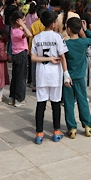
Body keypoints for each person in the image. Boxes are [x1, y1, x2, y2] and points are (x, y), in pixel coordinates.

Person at [31, 10, 69, 144]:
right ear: (53, 24)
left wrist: (47, 59)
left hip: (41, 74)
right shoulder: (58, 37)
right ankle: (56, 132)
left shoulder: (37, 38)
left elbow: (33, 57)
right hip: (55, 75)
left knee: (41, 103)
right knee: (55, 103)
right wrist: (66, 75)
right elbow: (63, 57)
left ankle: (39, 133)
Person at [63, 17, 91, 139]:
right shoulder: (84, 42)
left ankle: (72, 128)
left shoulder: (65, 44)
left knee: (69, 103)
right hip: (81, 77)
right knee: (83, 101)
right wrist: (86, 30)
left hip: (68, 78)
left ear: (68, 29)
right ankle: (87, 126)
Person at [8, 11, 32, 107]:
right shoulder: (18, 31)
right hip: (21, 54)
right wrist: (23, 25)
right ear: (18, 21)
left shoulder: (13, 29)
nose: (25, 22)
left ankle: (12, 97)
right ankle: (19, 99)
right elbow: (29, 34)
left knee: (15, 76)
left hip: (16, 54)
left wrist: (21, 25)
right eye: (23, 20)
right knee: (21, 77)